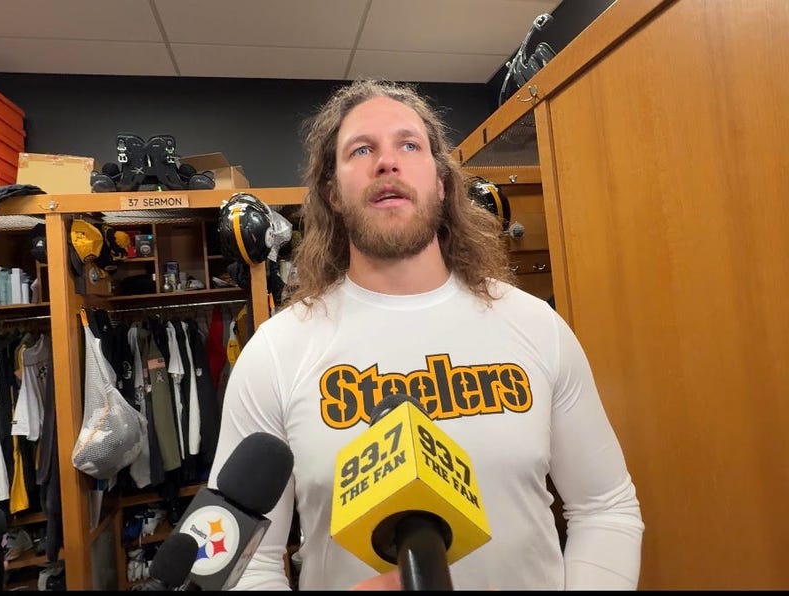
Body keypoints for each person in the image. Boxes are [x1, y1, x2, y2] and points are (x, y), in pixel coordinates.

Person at [207, 78, 644, 590]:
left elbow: (605, 507)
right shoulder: (275, 353)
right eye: (361, 149)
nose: (386, 162)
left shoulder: (535, 327)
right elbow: (248, 563)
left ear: (440, 180)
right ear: (332, 192)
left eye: (408, 145)